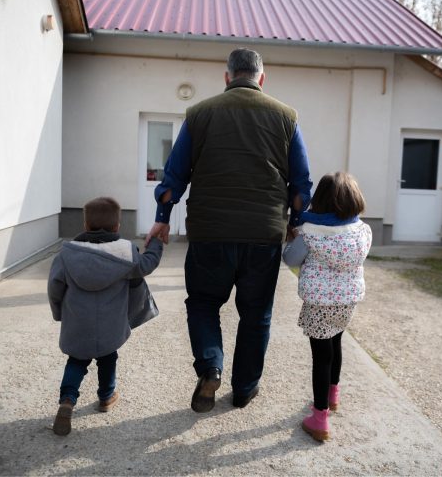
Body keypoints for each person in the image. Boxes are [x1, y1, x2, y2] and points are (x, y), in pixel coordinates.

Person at [146, 48, 312, 413]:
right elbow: (301, 184)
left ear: (227, 77)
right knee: (256, 315)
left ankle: (210, 367)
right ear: (261, 79)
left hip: (210, 233)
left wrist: (162, 215)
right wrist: (296, 225)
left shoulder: (200, 114)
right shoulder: (287, 117)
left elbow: (174, 176)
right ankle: (244, 389)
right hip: (263, 235)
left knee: (204, 304)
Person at [48, 196, 163, 435]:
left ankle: (67, 400)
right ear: (117, 227)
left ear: (86, 226)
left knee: (76, 361)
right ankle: (106, 397)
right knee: (108, 357)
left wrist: (59, 313)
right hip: (111, 325)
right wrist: (155, 243)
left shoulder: (67, 255)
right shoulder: (125, 254)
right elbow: (147, 264)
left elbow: (54, 287)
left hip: (77, 323)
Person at [282, 172, 372, 441]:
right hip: (347, 301)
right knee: (336, 344)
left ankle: (319, 418)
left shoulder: (310, 233)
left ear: (319, 200)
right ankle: (333, 396)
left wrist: (291, 237)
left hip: (320, 303)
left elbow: (291, 259)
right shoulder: (362, 231)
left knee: (321, 356)